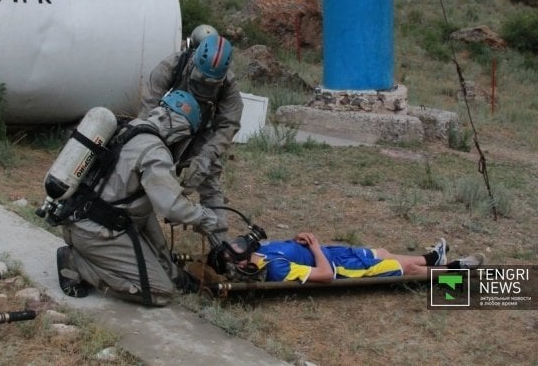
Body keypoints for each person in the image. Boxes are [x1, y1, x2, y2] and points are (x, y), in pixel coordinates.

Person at [57, 89, 220, 306]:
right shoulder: (155, 151)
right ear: (180, 131)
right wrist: (205, 218)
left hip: (81, 217)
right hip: (95, 232)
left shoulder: (131, 127)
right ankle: (77, 263)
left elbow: (144, 208)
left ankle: (169, 274)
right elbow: (171, 207)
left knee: (147, 222)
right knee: (160, 292)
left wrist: (175, 272)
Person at [139, 24, 243, 241]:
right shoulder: (170, 67)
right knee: (145, 174)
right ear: (193, 61)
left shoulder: (229, 87)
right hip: (164, 128)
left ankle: (221, 245)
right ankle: (138, 228)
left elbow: (228, 125)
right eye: (200, 81)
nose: (204, 89)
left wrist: (206, 157)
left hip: (201, 134)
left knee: (210, 181)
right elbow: (146, 116)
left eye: (211, 85)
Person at [236, 234, 485, 284]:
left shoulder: (263, 251)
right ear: (243, 264)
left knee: (383, 252)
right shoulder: (277, 270)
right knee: (406, 268)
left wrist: (299, 239)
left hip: (334, 252)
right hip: (342, 267)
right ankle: (455, 270)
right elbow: (325, 275)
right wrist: (314, 247)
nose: (239, 243)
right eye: (234, 251)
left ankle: (433, 257)